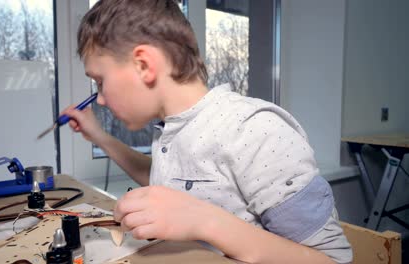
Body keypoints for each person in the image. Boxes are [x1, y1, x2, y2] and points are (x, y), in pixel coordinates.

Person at [62, 0, 353, 263]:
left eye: (100, 80)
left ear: (143, 65)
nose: (99, 98)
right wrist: (98, 136)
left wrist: (204, 220)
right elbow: (174, 179)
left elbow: (333, 260)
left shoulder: (253, 130)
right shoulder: (174, 129)